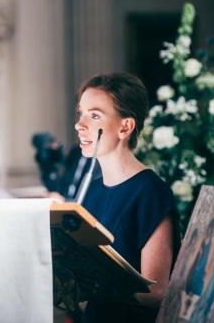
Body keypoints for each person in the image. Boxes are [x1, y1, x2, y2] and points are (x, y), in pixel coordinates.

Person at [74, 72, 180, 322]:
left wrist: (91, 284)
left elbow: (155, 291)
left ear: (125, 126)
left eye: (95, 115)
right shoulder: (91, 189)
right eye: (81, 113)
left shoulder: (151, 192)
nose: (80, 125)